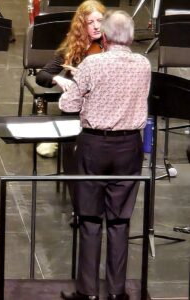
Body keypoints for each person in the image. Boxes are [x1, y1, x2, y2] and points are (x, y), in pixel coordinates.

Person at [58, 11, 151, 300]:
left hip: (95, 146)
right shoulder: (144, 64)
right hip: (129, 148)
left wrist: (80, 94)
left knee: (89, 219)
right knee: (120, 221)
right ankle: (117, 292)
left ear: (106, 36)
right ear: (132, 37)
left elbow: (67, 104)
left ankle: (87, 292)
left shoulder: (92, 63)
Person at [35, 0, 106, 158]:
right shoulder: (73, 48)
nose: (96, 26)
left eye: (100, 21)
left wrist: (85, 75)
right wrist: (57, 79)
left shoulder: (111, 46)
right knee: (46, 150)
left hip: (102, 110)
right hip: (76, 108)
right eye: (90, 22)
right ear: (81, 25)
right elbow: (42, 76)